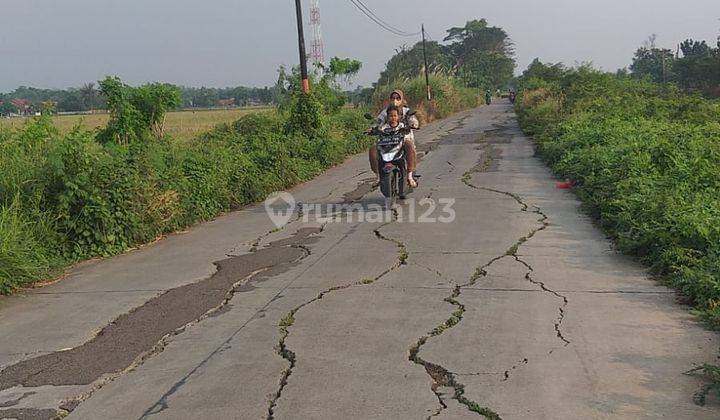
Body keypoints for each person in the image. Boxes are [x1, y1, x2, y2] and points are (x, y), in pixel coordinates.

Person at [369, 90, 419, 187]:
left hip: (403, 139)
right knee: (373, 149)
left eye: (397, 98)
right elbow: (378, 122)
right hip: (386, 141)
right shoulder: (385, 112)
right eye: (393, 98)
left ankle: (410, 176)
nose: (395, 100)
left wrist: (413, 124)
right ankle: (378, 176)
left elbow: (414, 121)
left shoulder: (406, 111)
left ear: (402, 100)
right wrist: (373, 129)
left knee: (409, 146)